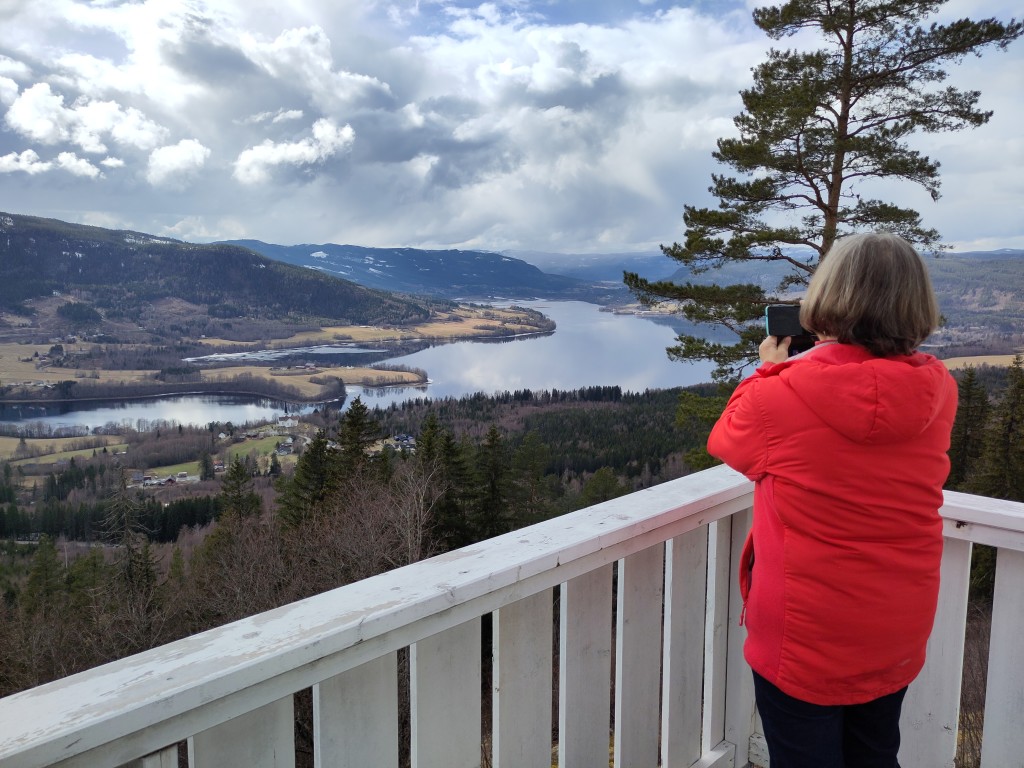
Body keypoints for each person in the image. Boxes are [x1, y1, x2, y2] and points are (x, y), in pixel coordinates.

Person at [706, 232, 958, 768]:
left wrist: (769, 367)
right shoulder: (938, 389)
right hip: (896, 621)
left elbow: (726, 440)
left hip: (804, 633)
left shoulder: (778, 394)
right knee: (874, 753)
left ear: (827, 299)